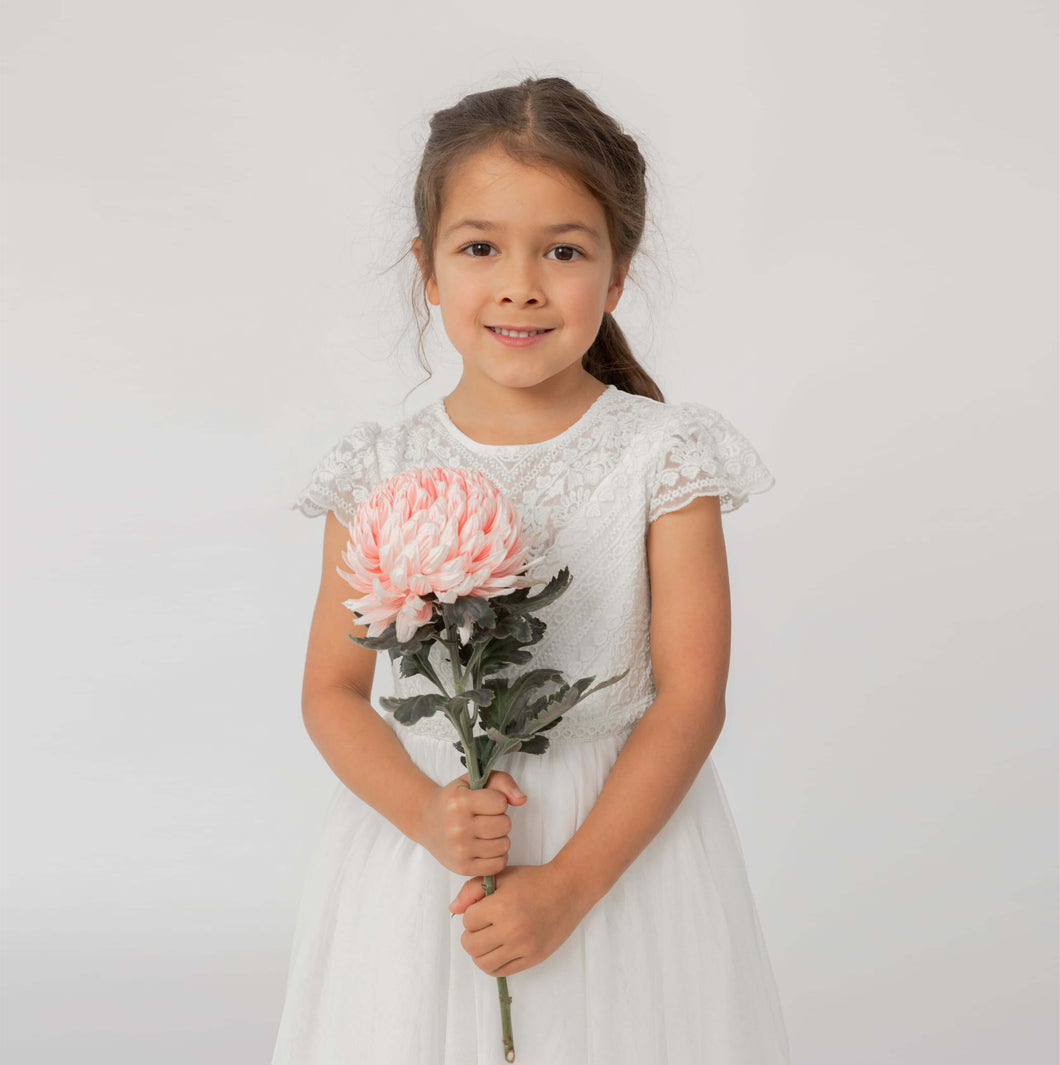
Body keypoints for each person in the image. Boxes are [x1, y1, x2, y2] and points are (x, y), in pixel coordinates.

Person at [271, 75, 790, 1065]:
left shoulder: (662, 456)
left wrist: (571, 883)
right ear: (426, 268)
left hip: (615, 847)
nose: (521, 283)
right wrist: (428, 813)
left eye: (563, 250)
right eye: (479, 248)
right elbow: (332, 692)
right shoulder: (375, 466)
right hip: (429, 846)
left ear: (618, 270)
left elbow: (690, 698)